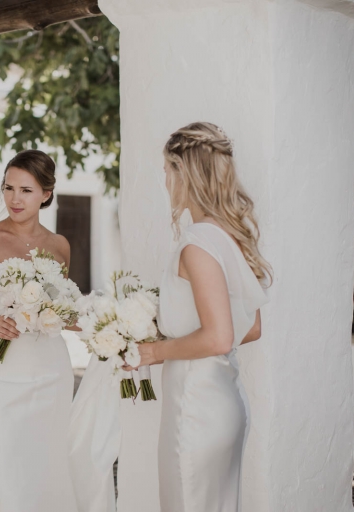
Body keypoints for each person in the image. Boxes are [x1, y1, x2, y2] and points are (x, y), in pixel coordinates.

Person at [126, 122, 271, 511]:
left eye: (167, 170)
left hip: (195, 406)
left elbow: (219, 337)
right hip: (221, 398)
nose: (165, 179)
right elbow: (251, 329)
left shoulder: (197, 244)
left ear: (184, 173)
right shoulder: (228, 236)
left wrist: (153, 352)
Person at [0, 149, 78, 511]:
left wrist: (98, 324)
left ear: (46, 194)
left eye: (26, 190)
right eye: (9, 188)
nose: (15, 199)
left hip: (51, 369)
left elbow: (60, 310)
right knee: (3, 458)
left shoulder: (59, 246)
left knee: (47, 461)